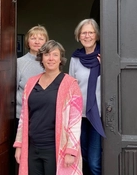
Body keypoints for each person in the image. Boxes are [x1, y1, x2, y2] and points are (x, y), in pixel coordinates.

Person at [14, 40, 83, 175]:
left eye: (55, 55)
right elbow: (23, 117)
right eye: (46, 54)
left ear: (61, 59)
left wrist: (71, 150)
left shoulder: (71, 85)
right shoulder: (31, 83)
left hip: (56, 148)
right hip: (32, 147)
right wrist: (19, 145)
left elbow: (75, 122)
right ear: (41, 58)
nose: (51, 58)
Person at [69, 19, 105, 175]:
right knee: (82, 157)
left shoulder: (105, 56)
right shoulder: (75, 59)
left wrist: (106, 67)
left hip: (97, 115)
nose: (87, 36)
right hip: (79, 116)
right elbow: (71, 87)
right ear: (79, 35)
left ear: (97, 35)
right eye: (84, 32)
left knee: (94, 162)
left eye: (91, 32)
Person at [16, 25, 49, 126]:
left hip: (45, 115)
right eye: (33, 38)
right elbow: (12, 90)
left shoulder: (51, 61)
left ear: (46, 42)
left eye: (41, 39)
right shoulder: (19, 62)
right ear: (27, 41)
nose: (37, 42)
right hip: (23, 115)